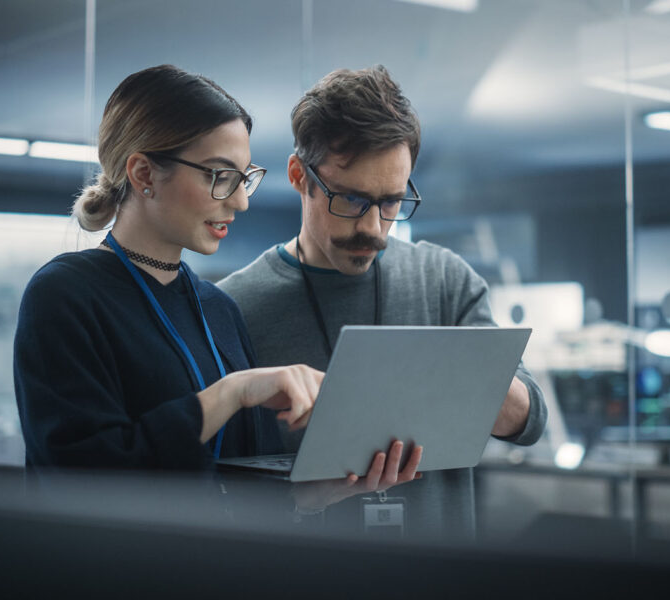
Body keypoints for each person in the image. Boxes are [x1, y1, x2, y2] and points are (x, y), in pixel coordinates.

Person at [218, 65, 547, 540]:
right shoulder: (233, 307)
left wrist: (461, 376)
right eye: (351, 200)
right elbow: (221, 491)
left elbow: (531, 419)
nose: (373, 227)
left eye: (391, 202)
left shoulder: (444, 279)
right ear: (299, 176)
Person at [14, 64, 327, 476]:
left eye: (243, 178)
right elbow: (85, 474)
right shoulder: (65, 295)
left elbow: (249, 483)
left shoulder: (220, 311)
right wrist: (232, 393)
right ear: (144, 174)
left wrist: (315, 495)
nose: (240, 202)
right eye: (220, 175)